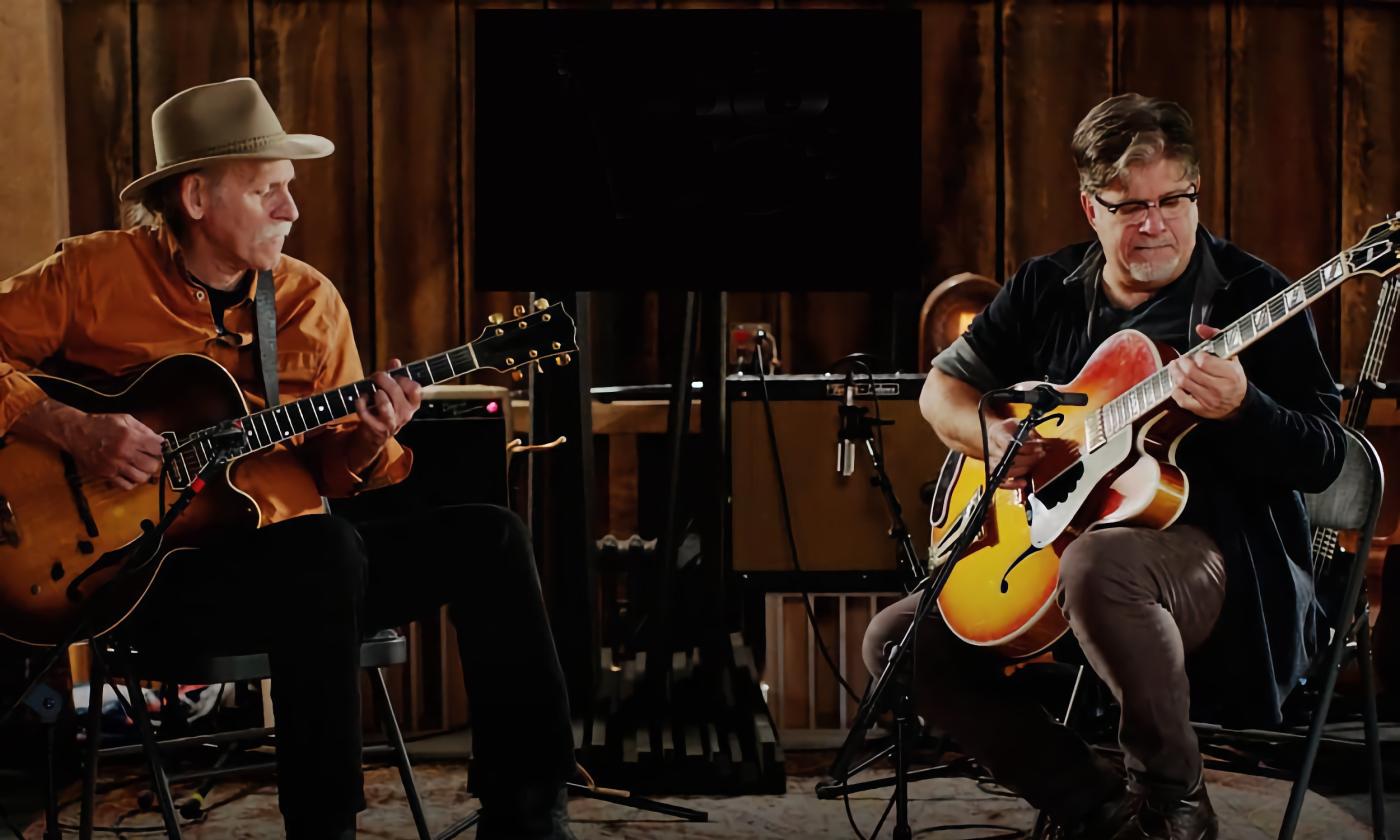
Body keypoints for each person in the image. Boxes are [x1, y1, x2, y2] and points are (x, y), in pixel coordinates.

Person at [0, 78, 577, 840]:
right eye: (268, 189)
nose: (291, 210)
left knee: (491, 538)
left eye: (289, 189)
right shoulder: (93, 276)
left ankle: (531, 814)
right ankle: (324, 826)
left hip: (304, 572)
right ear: (197, 197)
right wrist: (74, 428)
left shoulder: (308, 302)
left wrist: (372, 435)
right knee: (326, 548)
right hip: (155, 581)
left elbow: (339, 474)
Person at [863, 93, 1345, 840]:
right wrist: (987, 439)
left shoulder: (1257, 298)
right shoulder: (1046, 287)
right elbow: (942, 389)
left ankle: (1173, 808)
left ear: (1194, 194)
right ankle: (1100, 811)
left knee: (1100, 566)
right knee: (900, 644)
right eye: (1128, 207)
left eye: (1172, 200)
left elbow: (1325, 457)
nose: (1154, 223)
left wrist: (1245, 409)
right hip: (1047, 545)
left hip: (1217, 563)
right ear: (1091, 208)